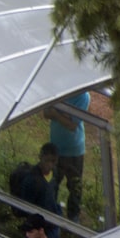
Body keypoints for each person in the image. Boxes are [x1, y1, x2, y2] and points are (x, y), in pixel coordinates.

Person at [44, 92, 90, 222]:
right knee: (51, 183)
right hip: (55, 149)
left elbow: (72, 125)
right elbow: (45, 113)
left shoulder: (83, 96)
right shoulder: (59, 90)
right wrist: (62, 116)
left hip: (74, 150)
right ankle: (50, 215)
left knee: (75, 188)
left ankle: (73, 217)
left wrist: (56, 114)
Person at [20, 142, 63, 218]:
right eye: (47, 160)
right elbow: (27, 206)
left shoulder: (54, 173)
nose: (50, 165)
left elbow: (55, 193)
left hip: (52, 215)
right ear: (40, 157)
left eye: (53, 161)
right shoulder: (31, 179)